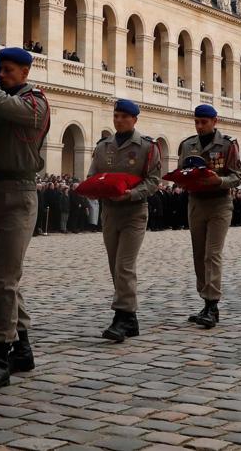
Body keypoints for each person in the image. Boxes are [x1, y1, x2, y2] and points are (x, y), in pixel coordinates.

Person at [0, 47, 49, 391]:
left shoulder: (35, 103)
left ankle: (0, 355)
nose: (2, 76)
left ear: (25, 72)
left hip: (20, 194)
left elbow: (5, 106)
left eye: (7, 71)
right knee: (0, 280)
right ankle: (23, 345)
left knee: (4, 280)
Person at [86, 99, 163, 342]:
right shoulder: (103, 146)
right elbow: (93, 174)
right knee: (114, 265)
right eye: (116, 115)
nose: (118, 120)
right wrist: (94, 189)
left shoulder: (147, 147)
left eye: (123, 116)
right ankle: (131, 319)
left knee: (124, 265)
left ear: (134, 119)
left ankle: (121, 317)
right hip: (110, 212)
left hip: (134, 211)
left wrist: (131, 194)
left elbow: (153, 181)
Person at [177, 104, 241, 328]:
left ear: (215, 121)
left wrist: (219, 181)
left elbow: (237, 177)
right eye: (196, 122)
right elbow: (180, 172)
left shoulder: (227, 145)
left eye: (204, 122)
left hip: (219, 203)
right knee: (199, 254)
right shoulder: (188, 145)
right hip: (196, 203)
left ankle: (212, 304)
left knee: (212, 254)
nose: (199, 126)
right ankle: (205, 300)